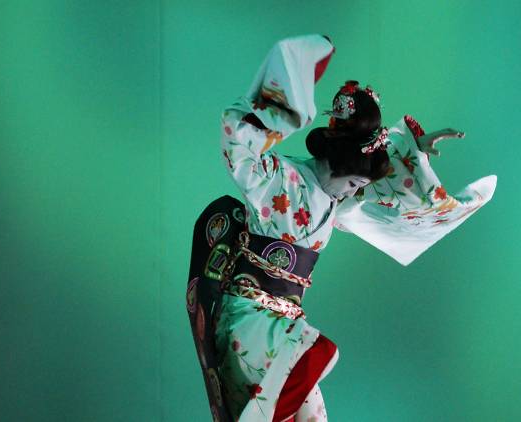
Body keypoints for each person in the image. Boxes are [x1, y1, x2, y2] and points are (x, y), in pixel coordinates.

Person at [186, 34, 497, 421]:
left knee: (315, 416)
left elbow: (391, 192)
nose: (355, 193)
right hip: (250, 322)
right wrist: (283, 112)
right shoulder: (278, 179)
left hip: (285, 328)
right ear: (334, 160)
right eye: (353, 183)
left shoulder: (338, 200)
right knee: (313, 353)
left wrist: (414, 151)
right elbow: (238, 143)